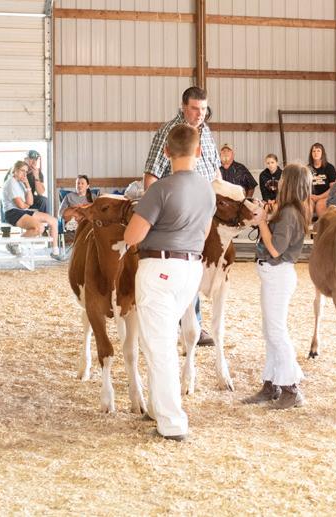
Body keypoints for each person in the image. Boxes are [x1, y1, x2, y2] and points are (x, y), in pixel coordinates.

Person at [124, 124, 216, 441]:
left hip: (159, 269)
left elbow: (132, 236)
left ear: (166, 152)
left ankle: (172, 424)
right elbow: (204, 232)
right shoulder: (207, 190)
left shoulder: (160, 189)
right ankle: (156, 407)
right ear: (198, 151)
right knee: (160, 338)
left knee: (160, 345)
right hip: (190, 269)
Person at [142, 86, 221, 346]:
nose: (200, 114)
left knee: (196, 266)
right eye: (195, 109)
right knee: (185, 261)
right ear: (183, 107)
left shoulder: (206, 132)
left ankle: (190, 325)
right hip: (179, 210)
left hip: (205, 208)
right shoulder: (169, 132)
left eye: (203, 109)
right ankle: (188, 325)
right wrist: (155, 213)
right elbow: (151, 175)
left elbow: (215, 171)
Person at [243, 163, 312, 409]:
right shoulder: (289, 210)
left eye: (283, 179)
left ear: (289, 183)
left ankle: (291, 389)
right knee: (270, 331)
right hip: (273, 274)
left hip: (278, 274)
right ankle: (272, 383)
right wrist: (267, 215)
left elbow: (275, 249)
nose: (279, 182)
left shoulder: (290, 213)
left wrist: (263, 222)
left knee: (276, 332)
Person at [1, 160, 63, 260]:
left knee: (53, 221)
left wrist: (27, 184)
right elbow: (21, 205)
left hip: (22, 211)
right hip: (12, 213)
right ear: (15, 170)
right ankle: (14, 243)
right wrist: (26, 204)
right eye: (22, 171)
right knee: (39, 228)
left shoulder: (21, 182)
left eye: (26, 172)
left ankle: (55, 252)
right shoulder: (11, 183)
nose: (24, 174)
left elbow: (30, 201)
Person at [308, 143, 336, 218]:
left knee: (320, 205)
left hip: (325, 197)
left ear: (322, 153)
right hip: (311, 197)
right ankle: (307, 225)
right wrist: (309, 197)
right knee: (306, 205)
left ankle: (323, 225)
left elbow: (333, 188)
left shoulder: (329, 168)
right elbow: (303, 186)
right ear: (311, 154)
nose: (316, 153)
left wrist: (319, 197)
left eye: (318, 151)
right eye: (314, 151)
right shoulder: (307, 168)